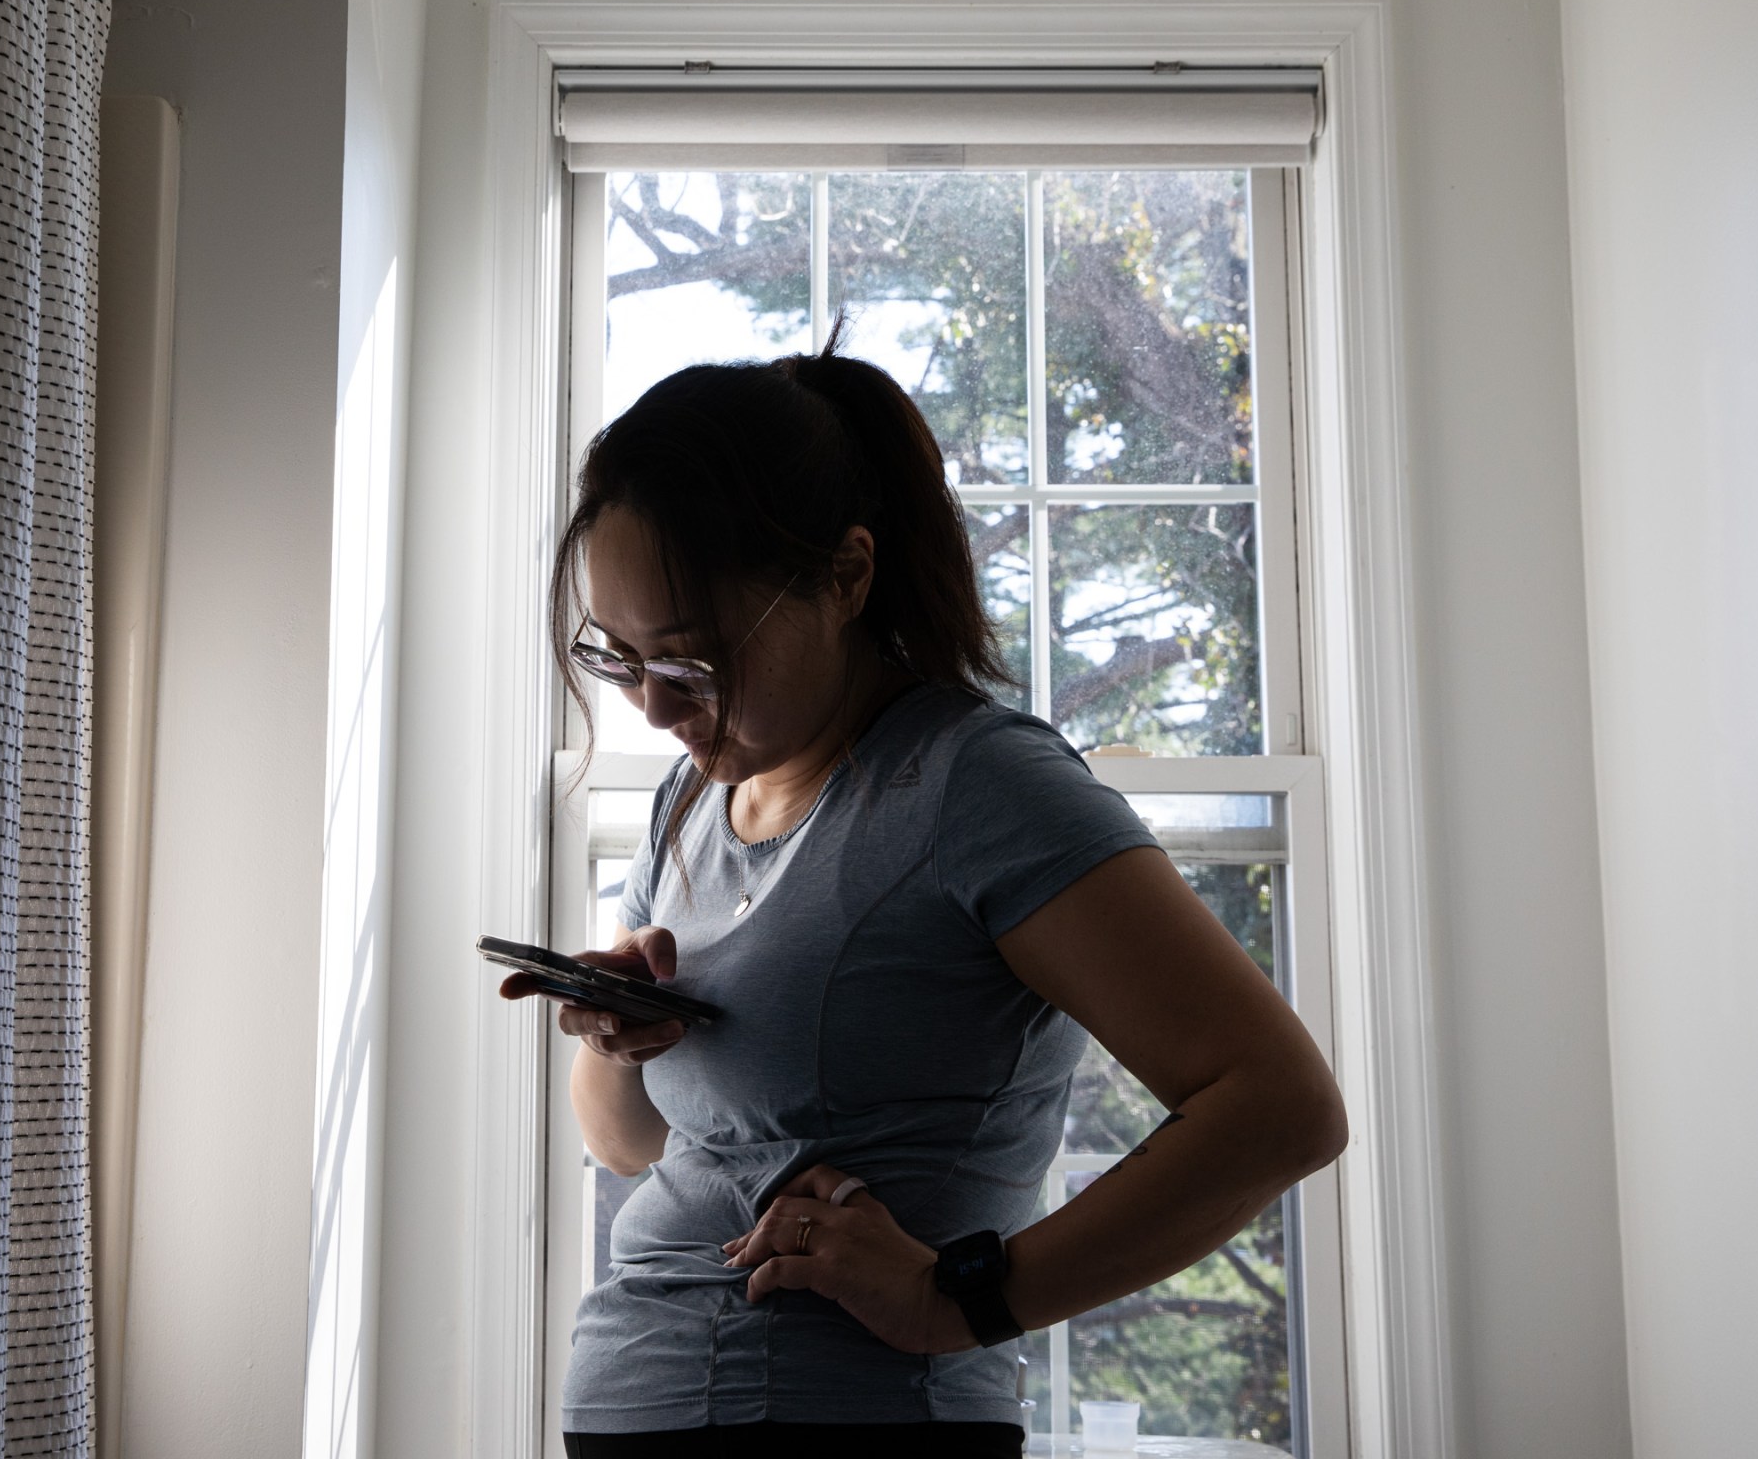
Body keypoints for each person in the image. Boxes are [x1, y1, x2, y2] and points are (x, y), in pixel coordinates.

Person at [502, 337, 1347, 1459]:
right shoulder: (690, 802)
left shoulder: (976, 785)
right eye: (622, 660)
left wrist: (965, 1297)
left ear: (845, 577)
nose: (655, 706)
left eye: (693, 662)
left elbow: (1281, 1107)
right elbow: (626, 1145)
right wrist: (621, 1036)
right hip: (630, 1394)